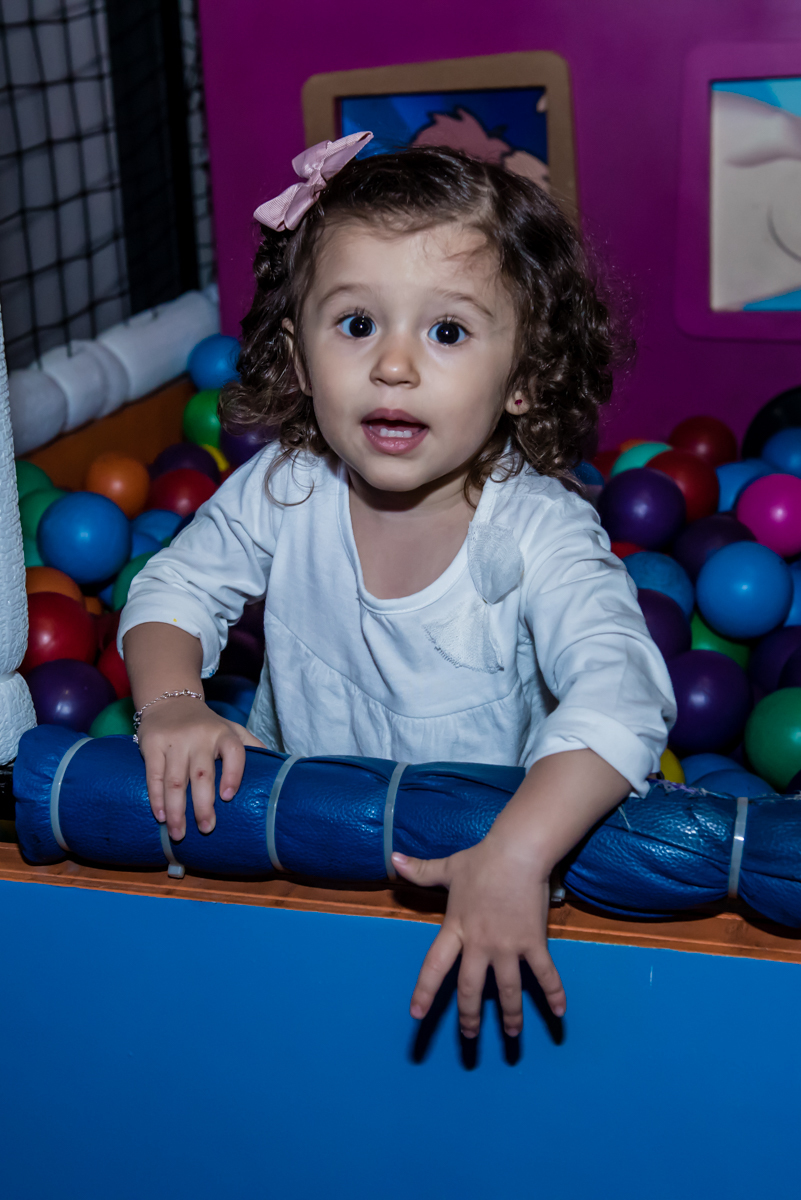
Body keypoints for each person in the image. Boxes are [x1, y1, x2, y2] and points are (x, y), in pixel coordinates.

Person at [121, 132, 675, 1040]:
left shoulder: (538, 532)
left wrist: (518, 854)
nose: (393, 365)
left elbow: (621, 691)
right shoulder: (285, 489)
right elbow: (172, 587)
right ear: (300, 361)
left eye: (447, 330)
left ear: (524, 379)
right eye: (355, 323)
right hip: (297, 853)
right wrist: (175, 703)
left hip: (480, 860)